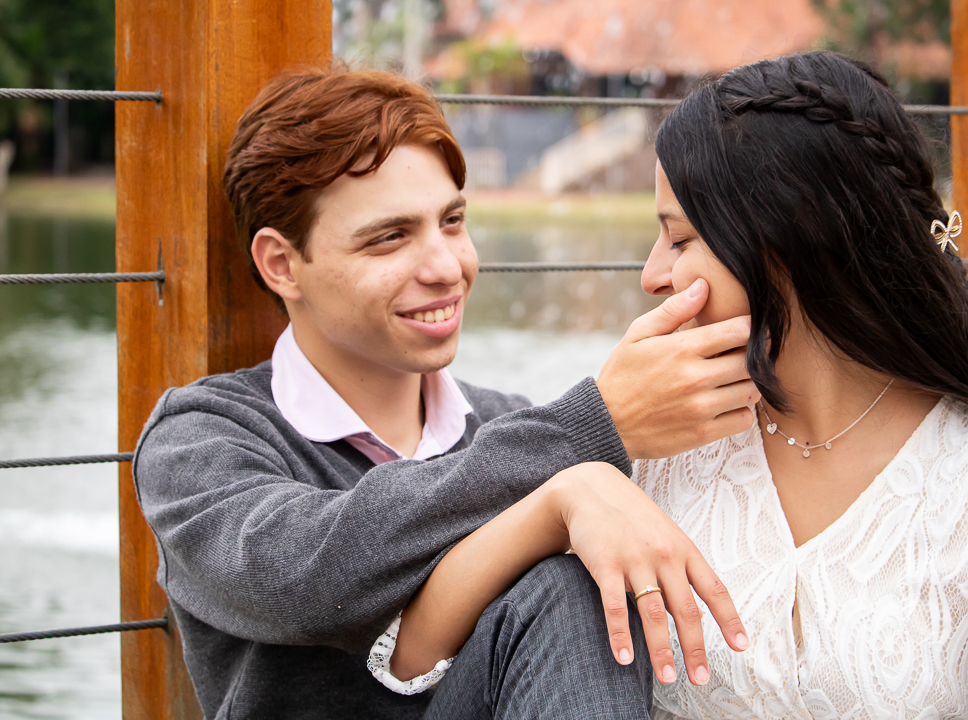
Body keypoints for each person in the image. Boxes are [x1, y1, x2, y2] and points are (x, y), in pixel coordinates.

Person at [384, 52, 968, 719]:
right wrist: (562, 497)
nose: (652, 275)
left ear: (788, 242)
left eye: (680, 240)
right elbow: (413, 659)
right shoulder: (664, 438)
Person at [132, 65, 756, 720]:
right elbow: (308, 580)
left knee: (572, 586)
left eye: (453, 221)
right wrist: (594, 428)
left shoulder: (510, 428)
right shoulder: (197, 441)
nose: (447, 267)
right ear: (282, 264)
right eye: (390, 237)